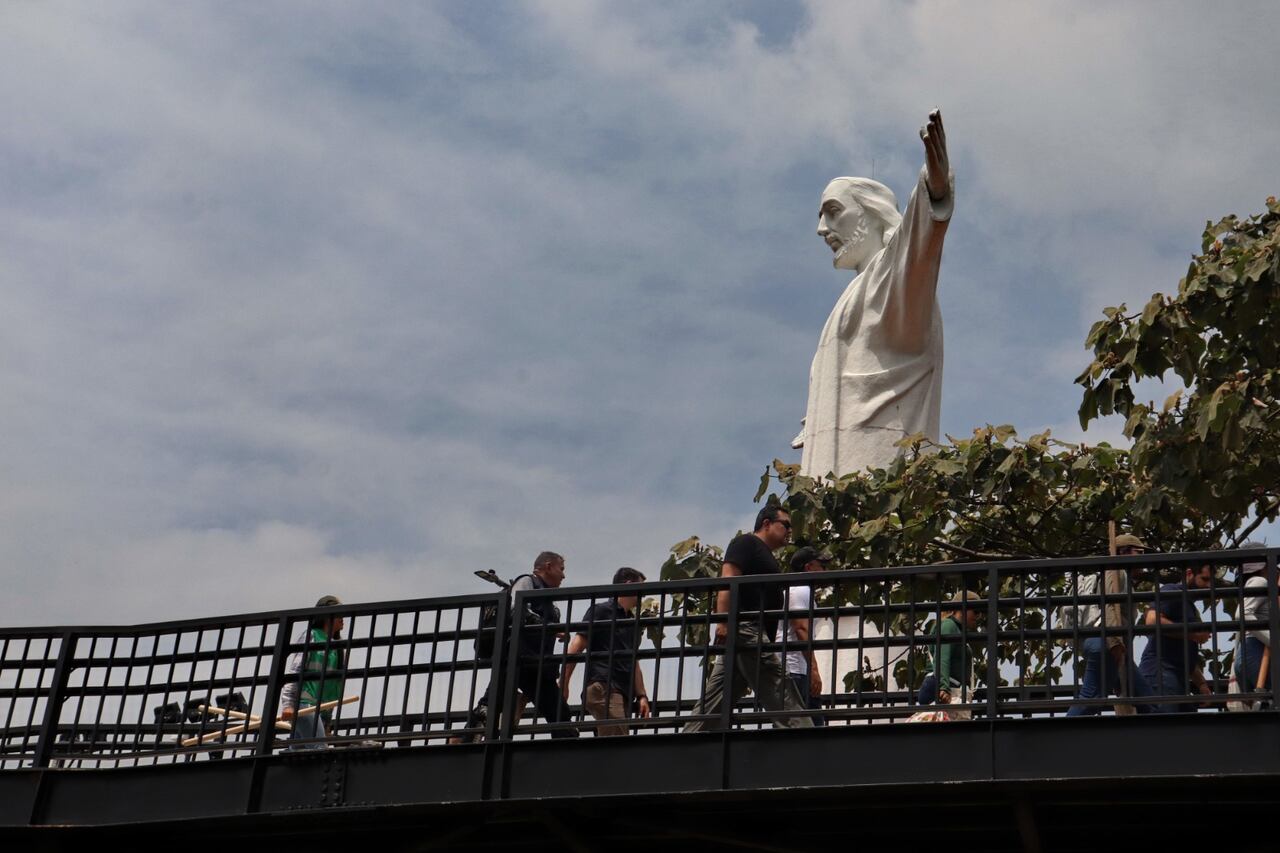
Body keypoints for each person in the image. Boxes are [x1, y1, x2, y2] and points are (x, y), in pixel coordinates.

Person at [793, 110, 954, 481]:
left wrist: (935, 190)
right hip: (835, 473)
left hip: (875, 467)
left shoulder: (892, 280)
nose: (822, 229)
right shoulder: (859, 290)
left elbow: (916, 246)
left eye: (834, 212)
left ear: (872, 212)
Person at [683, 506, 814, 732]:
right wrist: (723, 622)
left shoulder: (765, 554)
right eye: (785, 524)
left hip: (748, 632)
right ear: (766, 523)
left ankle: (688, 744)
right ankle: (805, 736)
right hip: (746, 628)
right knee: (777, 681)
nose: (789, 531)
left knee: (717, 697)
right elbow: (728, 581)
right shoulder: (745, 543)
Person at [1065, 534, 1159, 716]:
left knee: (1146, 699)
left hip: (1108, 643)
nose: (1143, 557)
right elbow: (1109, 605)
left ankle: (1160, 735)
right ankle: (1057, 737)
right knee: (1092, 698)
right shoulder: (1115, 570)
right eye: (1139, 552)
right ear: (1123, 552)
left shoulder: (1121, 575)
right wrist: (1115, 642)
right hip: (1106, 642)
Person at [559, 567, 651, 736]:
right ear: (629, 584)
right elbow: (575, 648)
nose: (643, 594)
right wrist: (563, 684)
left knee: (612, 747)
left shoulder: (631, 621)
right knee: (617, 748)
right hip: (604, 687)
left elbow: (633, 661)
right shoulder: (601, 611)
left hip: (621, 693)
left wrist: (642, 696)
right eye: (641, 588)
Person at [1138, 563, 1214, 713]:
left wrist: (1202, 684)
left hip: (1175, 677)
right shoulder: (1172, 590)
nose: (1208, 586)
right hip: (1160, 671)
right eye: (1204, 579)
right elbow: (1152, 620)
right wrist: (1194, 635)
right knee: (1165, 731)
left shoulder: (1189, 605)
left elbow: (1184, 653)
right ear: (1189, 573)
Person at [281, 594, 346, 750]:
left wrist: (327, 721)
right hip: (304, 705)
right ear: (326, 616)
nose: (343, 617)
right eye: (339, 613)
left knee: (298, 750)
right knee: (319, 749)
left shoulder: (337, 648)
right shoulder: (311, 636)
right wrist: (288, 705)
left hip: (320, 709)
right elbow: (295, 671)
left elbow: (333, 687)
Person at [776, 547, 831, 725]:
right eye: (821, 565)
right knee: (805, 727)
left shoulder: (799, 590)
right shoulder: (800, 590)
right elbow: (801, 629)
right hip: (795, 671)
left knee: (808, 725)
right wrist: (814, 670)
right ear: (808, 567)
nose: (824, 571)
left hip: (797, 669)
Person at [916, 591, 980, 720]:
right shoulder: (949, 626)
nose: (979, 616)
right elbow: (942, 658)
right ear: (962, 608)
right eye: (976, 611)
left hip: (947, 687)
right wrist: (943, 687)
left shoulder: (957, 630)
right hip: (942, 688)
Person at [1229, 542, 1271, 711]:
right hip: (1256, 652)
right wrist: (1274, 640)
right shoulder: (1259, 581)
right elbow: (1243, 615)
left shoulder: (1249, 586)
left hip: (1247, 654)